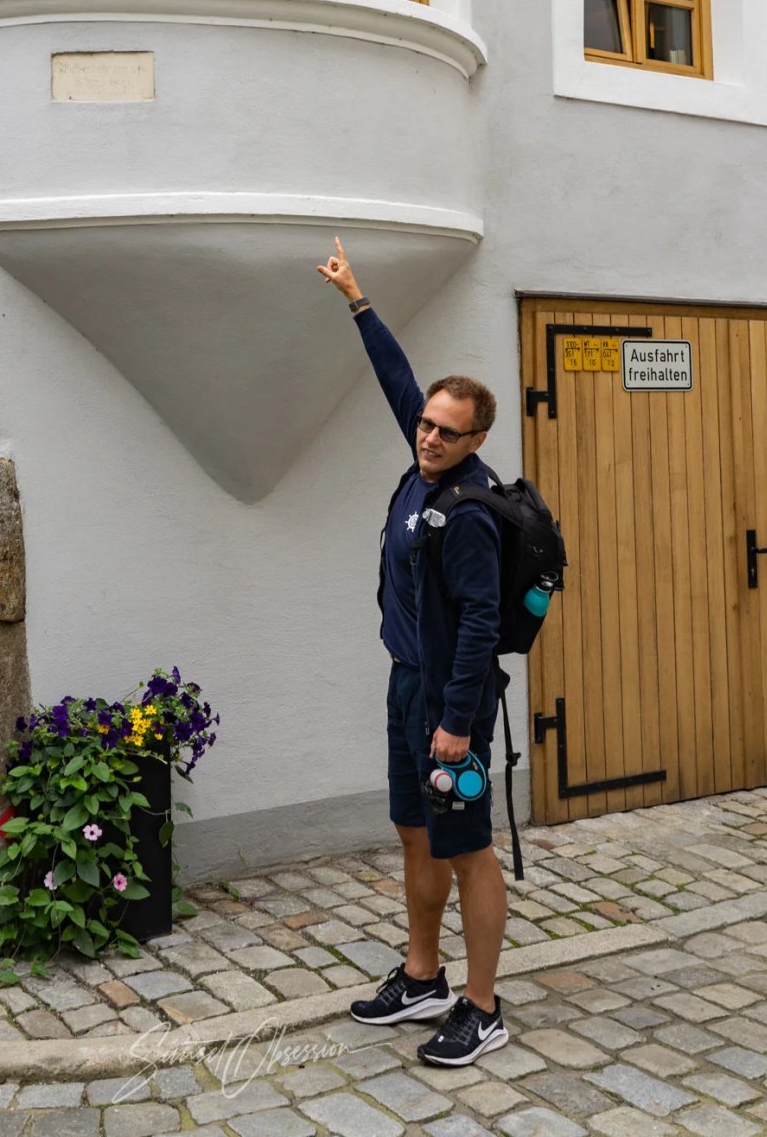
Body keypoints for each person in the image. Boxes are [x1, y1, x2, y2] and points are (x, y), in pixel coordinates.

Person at [317, 237, 508, 1067]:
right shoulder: (423, 463)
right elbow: (398, 380)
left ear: (474, 440)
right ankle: (423, 976)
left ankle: (481, 1005)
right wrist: (357, 299)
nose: (428, 436)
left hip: (448, 705)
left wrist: (457, 723)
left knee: (468, 849)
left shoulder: (465, 512)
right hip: (407, 689)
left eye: (445, 431)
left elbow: (478, 623)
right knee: (416, 836)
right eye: (425, 423)